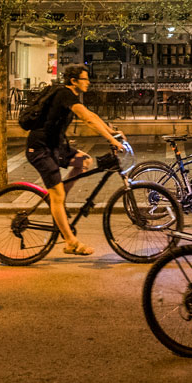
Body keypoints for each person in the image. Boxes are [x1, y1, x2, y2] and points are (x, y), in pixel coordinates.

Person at [26, 64, 124, 256]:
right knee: (57, 194)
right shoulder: (64, 94)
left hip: (56, 146)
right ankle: (71, 242)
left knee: (84, 161)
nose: (88, 82)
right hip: (40, 148)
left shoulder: (70, 95)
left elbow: (91, 115)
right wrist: (112, 140)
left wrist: (112, 131)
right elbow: (87, 119)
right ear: (73, 81)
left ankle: (58, 202)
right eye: (85, 79)